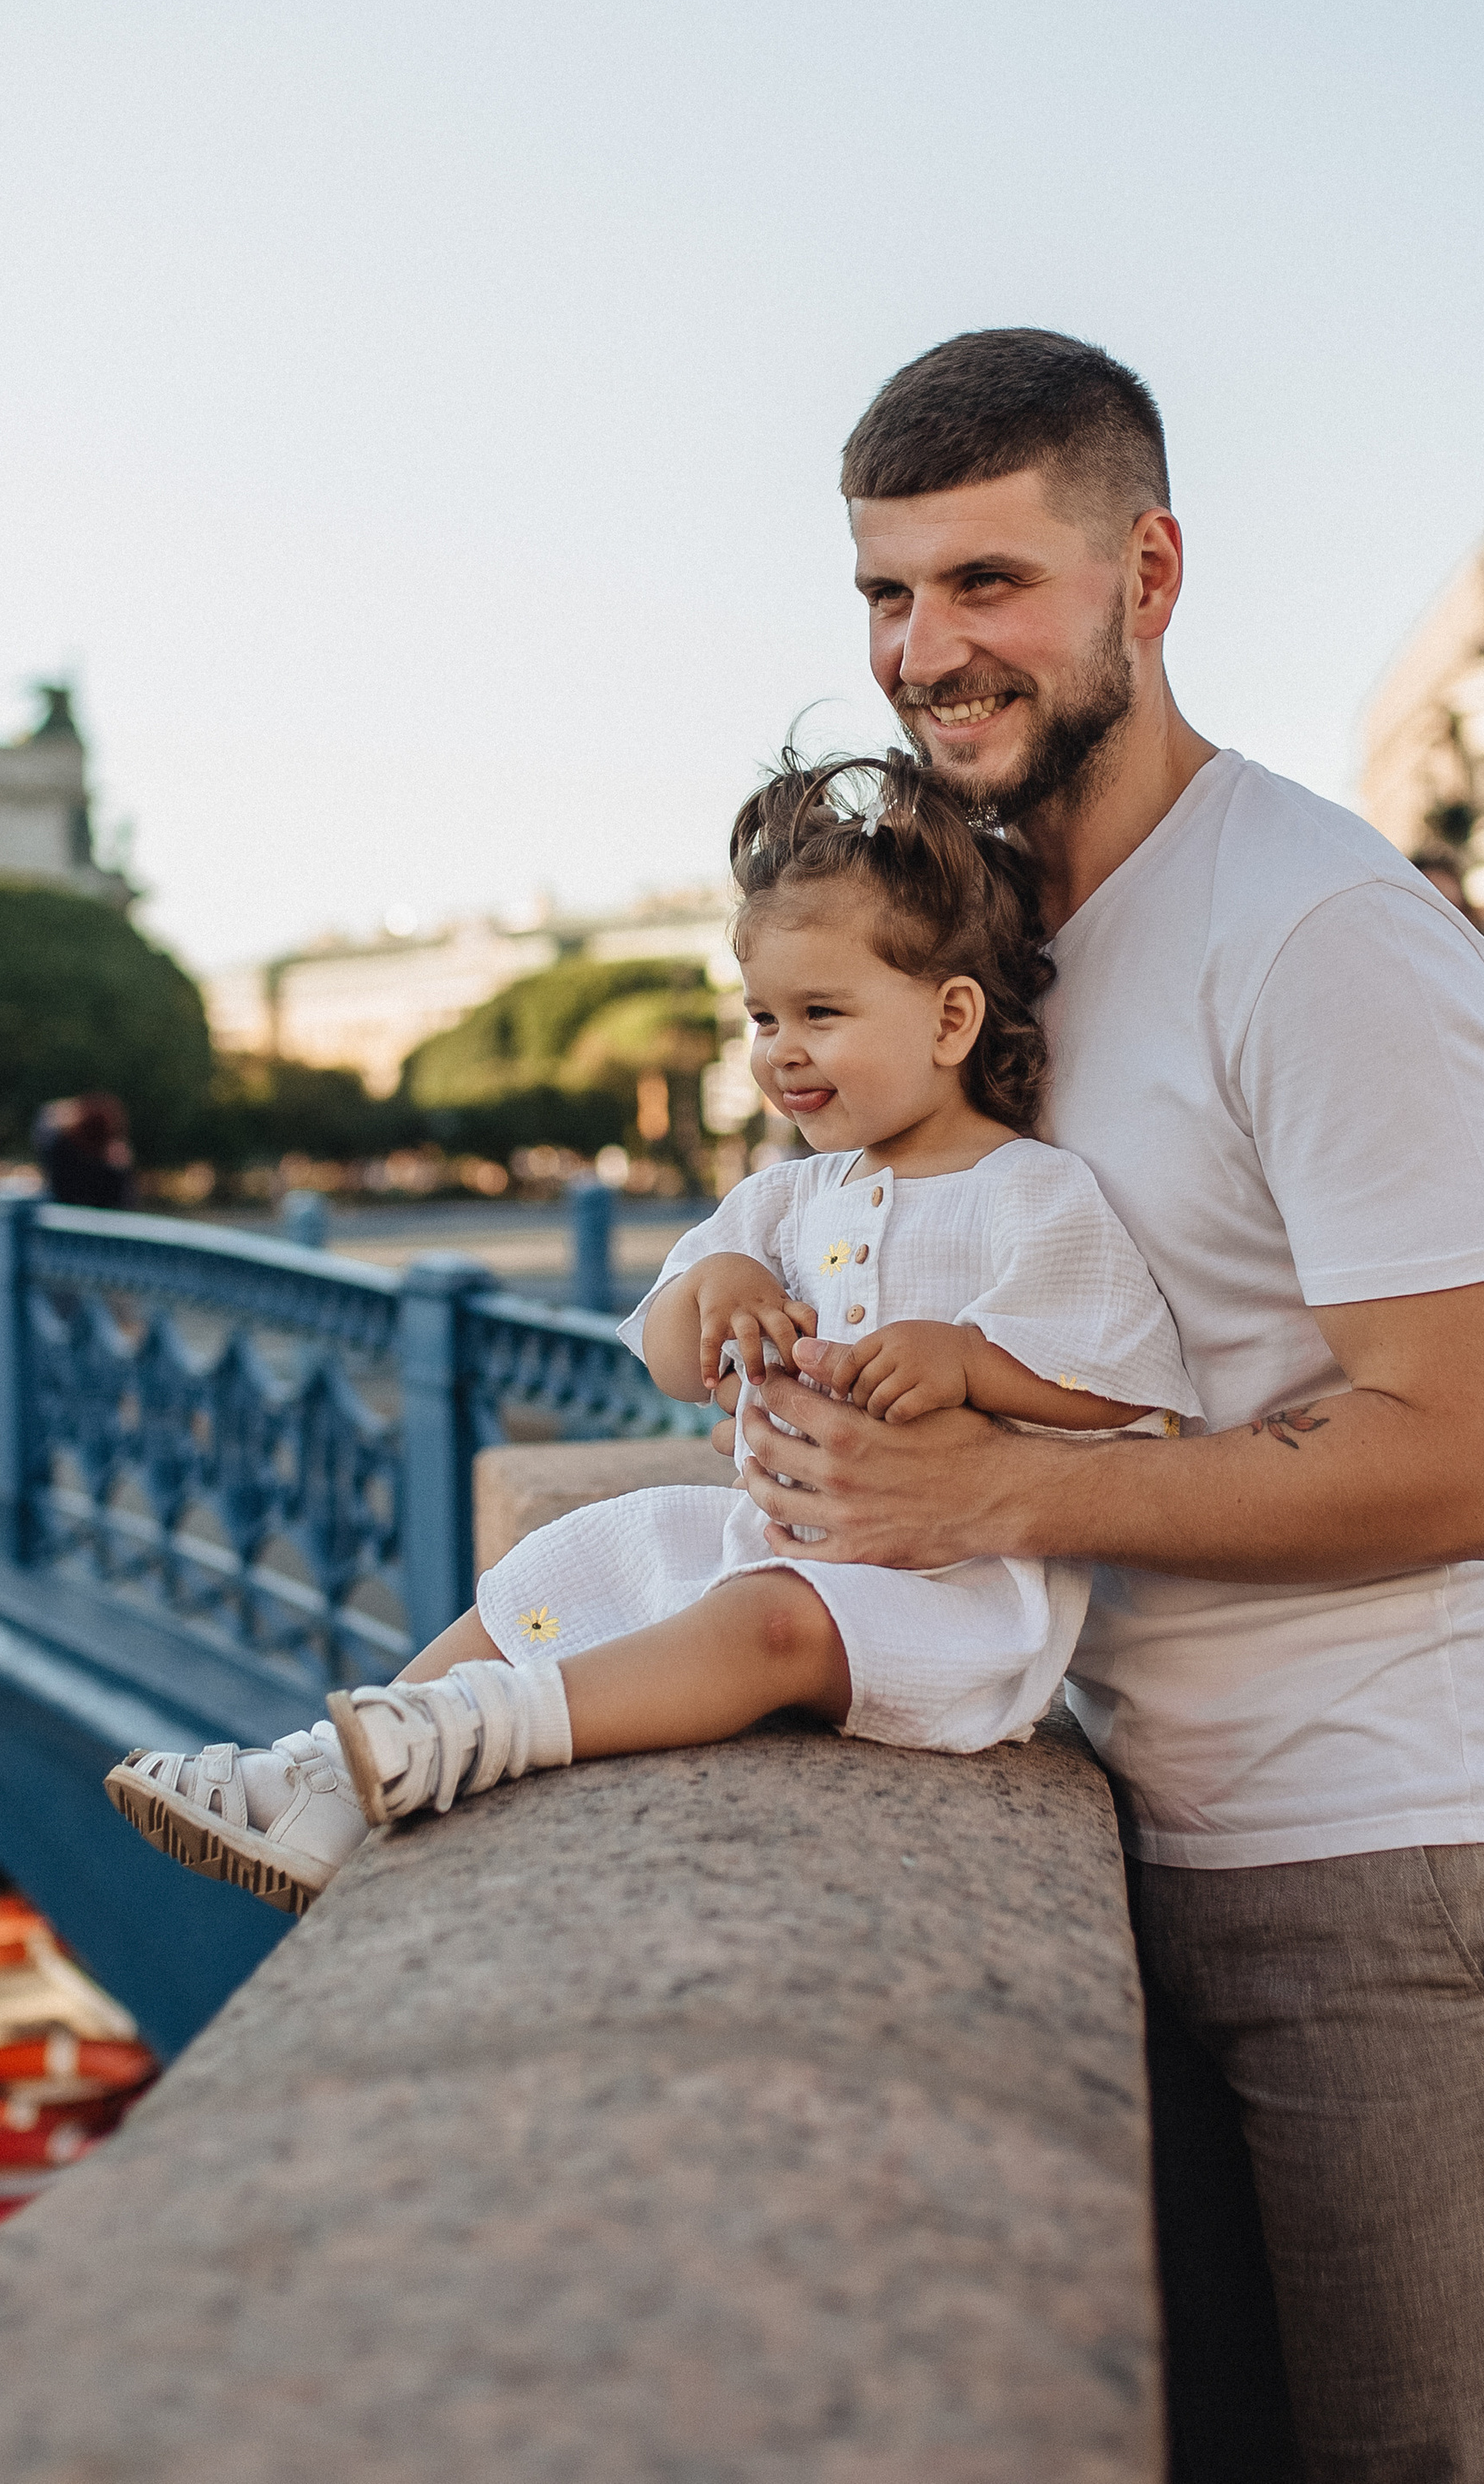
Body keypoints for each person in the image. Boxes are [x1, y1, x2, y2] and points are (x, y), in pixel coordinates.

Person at [694, 327, 1484, 2484]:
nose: (925, 650)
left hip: (1389, 1854)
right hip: (1135, 1813)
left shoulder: (1315, 935)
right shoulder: (996, 941)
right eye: (884, 596)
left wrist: (980, 1478)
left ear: (1147, 572)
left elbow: (1472, 1459)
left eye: (986, 582)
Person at [107, 751, 1197, 1905]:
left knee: (765, 1626)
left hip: (958, 1597)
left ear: (952, 1018)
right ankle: (328, 1771)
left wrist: (971, 1360)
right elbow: (678, 1361)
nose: (781, 1049)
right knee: (574, 1555)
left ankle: (482, 1731)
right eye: (763, 1016)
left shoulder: (1028, 1190)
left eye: (822, 1014)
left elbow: (1126, 1386)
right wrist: (715, 1283)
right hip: (778, 1537)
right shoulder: (783, 1202)